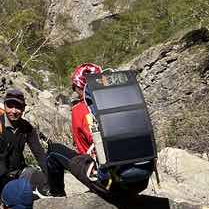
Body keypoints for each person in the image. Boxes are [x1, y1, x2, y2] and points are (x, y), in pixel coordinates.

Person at [45, 64, 153, 198]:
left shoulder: (79, 110)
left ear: (81, 87)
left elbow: (83, 153)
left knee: (53, 151)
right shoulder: (123, 101)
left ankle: (57, 198)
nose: (75, 92)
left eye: (75, 87)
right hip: (141, 181)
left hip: (110, 184)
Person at [0, 87, 49, 206]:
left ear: (23, 109)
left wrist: (49, 175)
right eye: (10, 106)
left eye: (18, 107)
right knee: (16, 198)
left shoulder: (26, 128)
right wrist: (6, 175)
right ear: (5, 106)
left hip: (18, 172)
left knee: (43, 182)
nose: (13, 111)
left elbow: (39, 153)